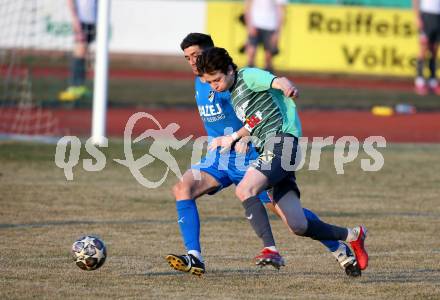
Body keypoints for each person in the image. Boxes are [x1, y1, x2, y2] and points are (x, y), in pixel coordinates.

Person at [165, 33, 361, 277]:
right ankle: (195, 257)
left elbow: (259, 106)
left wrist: (246, 137)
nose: (193, 62)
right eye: (187, 58)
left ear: (212, 54)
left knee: (292, 220)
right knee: (183, 189)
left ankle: (338, 247)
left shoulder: (233, 80)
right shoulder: (203, 80)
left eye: (196, 55)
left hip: (251, 151)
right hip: (221, 155)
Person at [59, 0, 97, 101]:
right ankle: (74, 87)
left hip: (93, 21)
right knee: (79, 51)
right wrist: (75, 19)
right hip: (81, 20)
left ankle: (80, 87)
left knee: (84, 53)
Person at [244, 0, 287, 72]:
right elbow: (247, 6)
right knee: (251, 53)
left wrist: (277, 32)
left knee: (268, 57)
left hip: (271, 26)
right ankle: (248, 77)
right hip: (255, 25)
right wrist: (249, 25)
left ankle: (267, 79)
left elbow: (281, 12)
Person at [413, 0, 440, 95]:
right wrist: (417, 16)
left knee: (435, 50)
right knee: (423, 49)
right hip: (426, 15)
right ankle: (420, 80)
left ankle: (433, 81)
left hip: (438, 16)